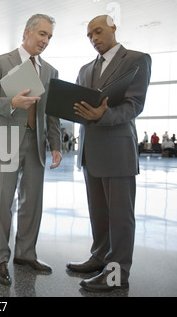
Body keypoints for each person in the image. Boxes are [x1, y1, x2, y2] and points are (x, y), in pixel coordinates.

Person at [69, 15, 152, 292]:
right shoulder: (84, 69)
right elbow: (79, 107)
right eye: (89, 35)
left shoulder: (137, 59)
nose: (94, 38)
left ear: (114, 28)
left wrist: (104, 114)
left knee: (120, 216)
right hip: (90, 151)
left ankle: (117, 274)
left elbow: (134, 104)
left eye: (99, 31)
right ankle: (100, 257)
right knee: (99, 213)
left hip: (117, 149)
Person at [0, 14, 62, 286]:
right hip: (6, 138)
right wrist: (12, 102)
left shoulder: (50, 71)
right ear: (27, 32)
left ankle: (26, 254)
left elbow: (51, 113)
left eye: (49, 36)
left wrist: (56, 145)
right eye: (42, 34)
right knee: (3, 202)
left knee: (32, 203)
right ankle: (0, 259)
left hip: (36, 142)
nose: (45, 41)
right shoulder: (1, 62)